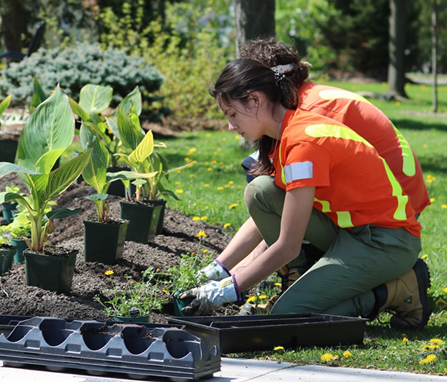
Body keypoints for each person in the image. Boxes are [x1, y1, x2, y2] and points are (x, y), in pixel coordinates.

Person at [178, 59, 432, 330]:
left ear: (255, 100)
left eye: (231, 114)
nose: (230, 125)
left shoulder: (302, 144)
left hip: (387, 241)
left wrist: (226, 290)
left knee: (285, 317)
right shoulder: (287, 133)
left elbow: (288, 244)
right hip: (351, 230)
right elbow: (282, 217)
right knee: (261, 191)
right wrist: (222, 271)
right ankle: (303, 282)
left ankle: (397, 291)